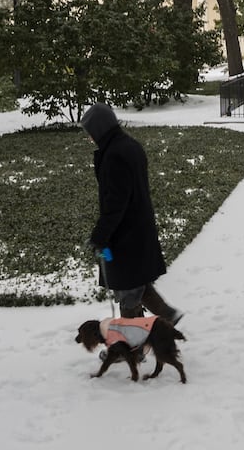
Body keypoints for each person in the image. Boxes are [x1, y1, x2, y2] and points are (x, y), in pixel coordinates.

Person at [82, 102, 182, 325]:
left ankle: (131, 344)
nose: (89, 137)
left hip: (125, 234)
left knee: (128, 290)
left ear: (99, 128)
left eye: (90, 131)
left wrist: (101, 235)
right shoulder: (129, 145)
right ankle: (167, 316)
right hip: (137, 228)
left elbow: (115, 203)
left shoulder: (114, 155)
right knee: (136, 284)